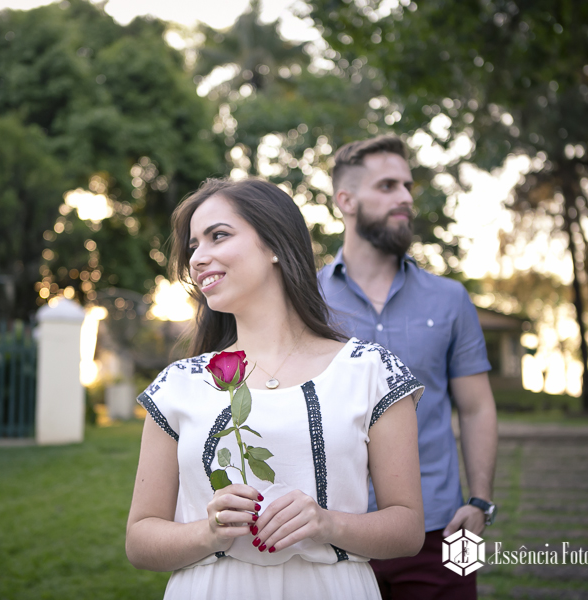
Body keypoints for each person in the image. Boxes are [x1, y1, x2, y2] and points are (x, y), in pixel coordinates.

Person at [125, 178, 426, 600]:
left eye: (218, 236)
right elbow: (139, 541)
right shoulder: (177, 386)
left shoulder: (373, 373)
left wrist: (327, 524)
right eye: (193, 246)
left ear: (276, 246)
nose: (199, 258)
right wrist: (207, 533)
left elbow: (408, 530)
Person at [318, 136, 498, 600]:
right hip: (333, 530)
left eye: (407, 185)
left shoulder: (451, 298)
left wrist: (479, 504)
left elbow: (477, 408)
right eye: (388, 185)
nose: (405, 197)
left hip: (447, 525)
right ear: (346, 201)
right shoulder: (307, 301)